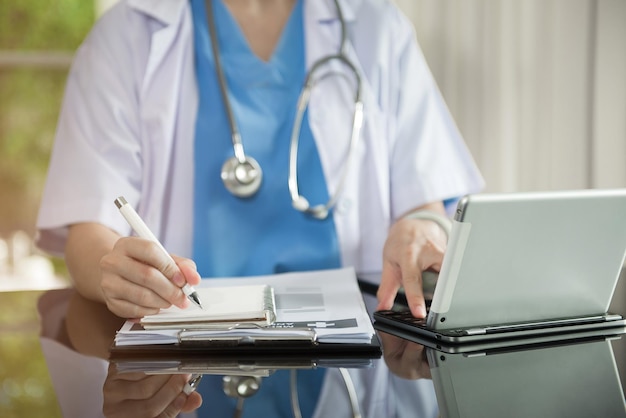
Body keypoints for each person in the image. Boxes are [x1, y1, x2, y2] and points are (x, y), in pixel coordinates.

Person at [36, 0, 483, 416]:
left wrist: (423, 226)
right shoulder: (125, 34)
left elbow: (425, 205)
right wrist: (113, 269)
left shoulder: (376, 25)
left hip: (352, 353)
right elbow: (89, 231)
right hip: (188, 351)